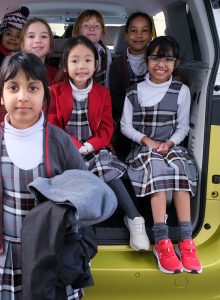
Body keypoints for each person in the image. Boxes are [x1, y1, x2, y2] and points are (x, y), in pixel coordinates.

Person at [0, 51, 93, 299]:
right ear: (0, 95)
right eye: (13, 87)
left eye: (33, 88)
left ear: (45, 95)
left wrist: (80, 250)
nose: (23, 97)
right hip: (4, 253)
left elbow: (85, 196)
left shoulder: (61, 142)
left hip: (51, 253)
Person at [49, 36, 150, 251]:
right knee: (71, 174)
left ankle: (134, 218)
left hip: (95, 147)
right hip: (65, 148)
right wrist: (76, 146)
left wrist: (90, 146)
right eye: (75, 61)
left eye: (87, 60)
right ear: (66, 65)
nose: (81, 66)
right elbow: (53, 126)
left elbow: (106, 128)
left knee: (104, 165)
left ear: (96, 65)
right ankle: (71, 230)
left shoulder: (102, 93)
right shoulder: (55, 92)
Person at [121, 36, 202, 274]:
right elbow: (126, 126)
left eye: (168, 59)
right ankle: (162, 240)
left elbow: (183, 126)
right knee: (156, 169)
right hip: (144, 148)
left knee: (179, 168)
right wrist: (147, 141)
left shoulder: (181, 90)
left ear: (176, 63)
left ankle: (186, 240)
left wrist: (169, 142)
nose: (161, 64)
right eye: (156, 57)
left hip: (171, 145)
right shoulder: (134, 92)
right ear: (146, 61)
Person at [110, 12, 153, 160]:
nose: (139, 35)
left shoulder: (158, 62)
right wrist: (133, 113)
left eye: (144, 30)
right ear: (126, 36)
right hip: (126, 118)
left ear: (151, 35)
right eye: (133, 31)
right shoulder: (117, 65)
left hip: (153, 118)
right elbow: (115, 96)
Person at [72, 9, 111, 87]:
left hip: (99, 94)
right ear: (78, 31)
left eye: (96, 26)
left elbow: (107, 79)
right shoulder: (71, 51)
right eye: (86, 25)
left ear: (102, 33)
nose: (92, 28)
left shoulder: (105, 53)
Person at [20, 17, 58, 85]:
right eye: (31, 36)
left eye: (43, 36)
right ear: (22, 46)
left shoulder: (57, 76)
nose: (37, 41)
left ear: (50, 47)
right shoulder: (12, 72)